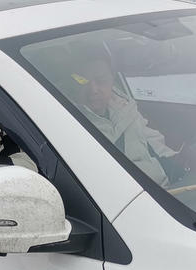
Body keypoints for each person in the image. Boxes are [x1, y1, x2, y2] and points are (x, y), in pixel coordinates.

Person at [72, 55, 186, 187]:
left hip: (165, 190)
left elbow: (156, 147)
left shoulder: (125, 107)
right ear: (74, 83)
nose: (94, 90)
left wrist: (181, 164)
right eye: (83, 81)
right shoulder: (71, 125)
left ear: (112, 80)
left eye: (101, 81)